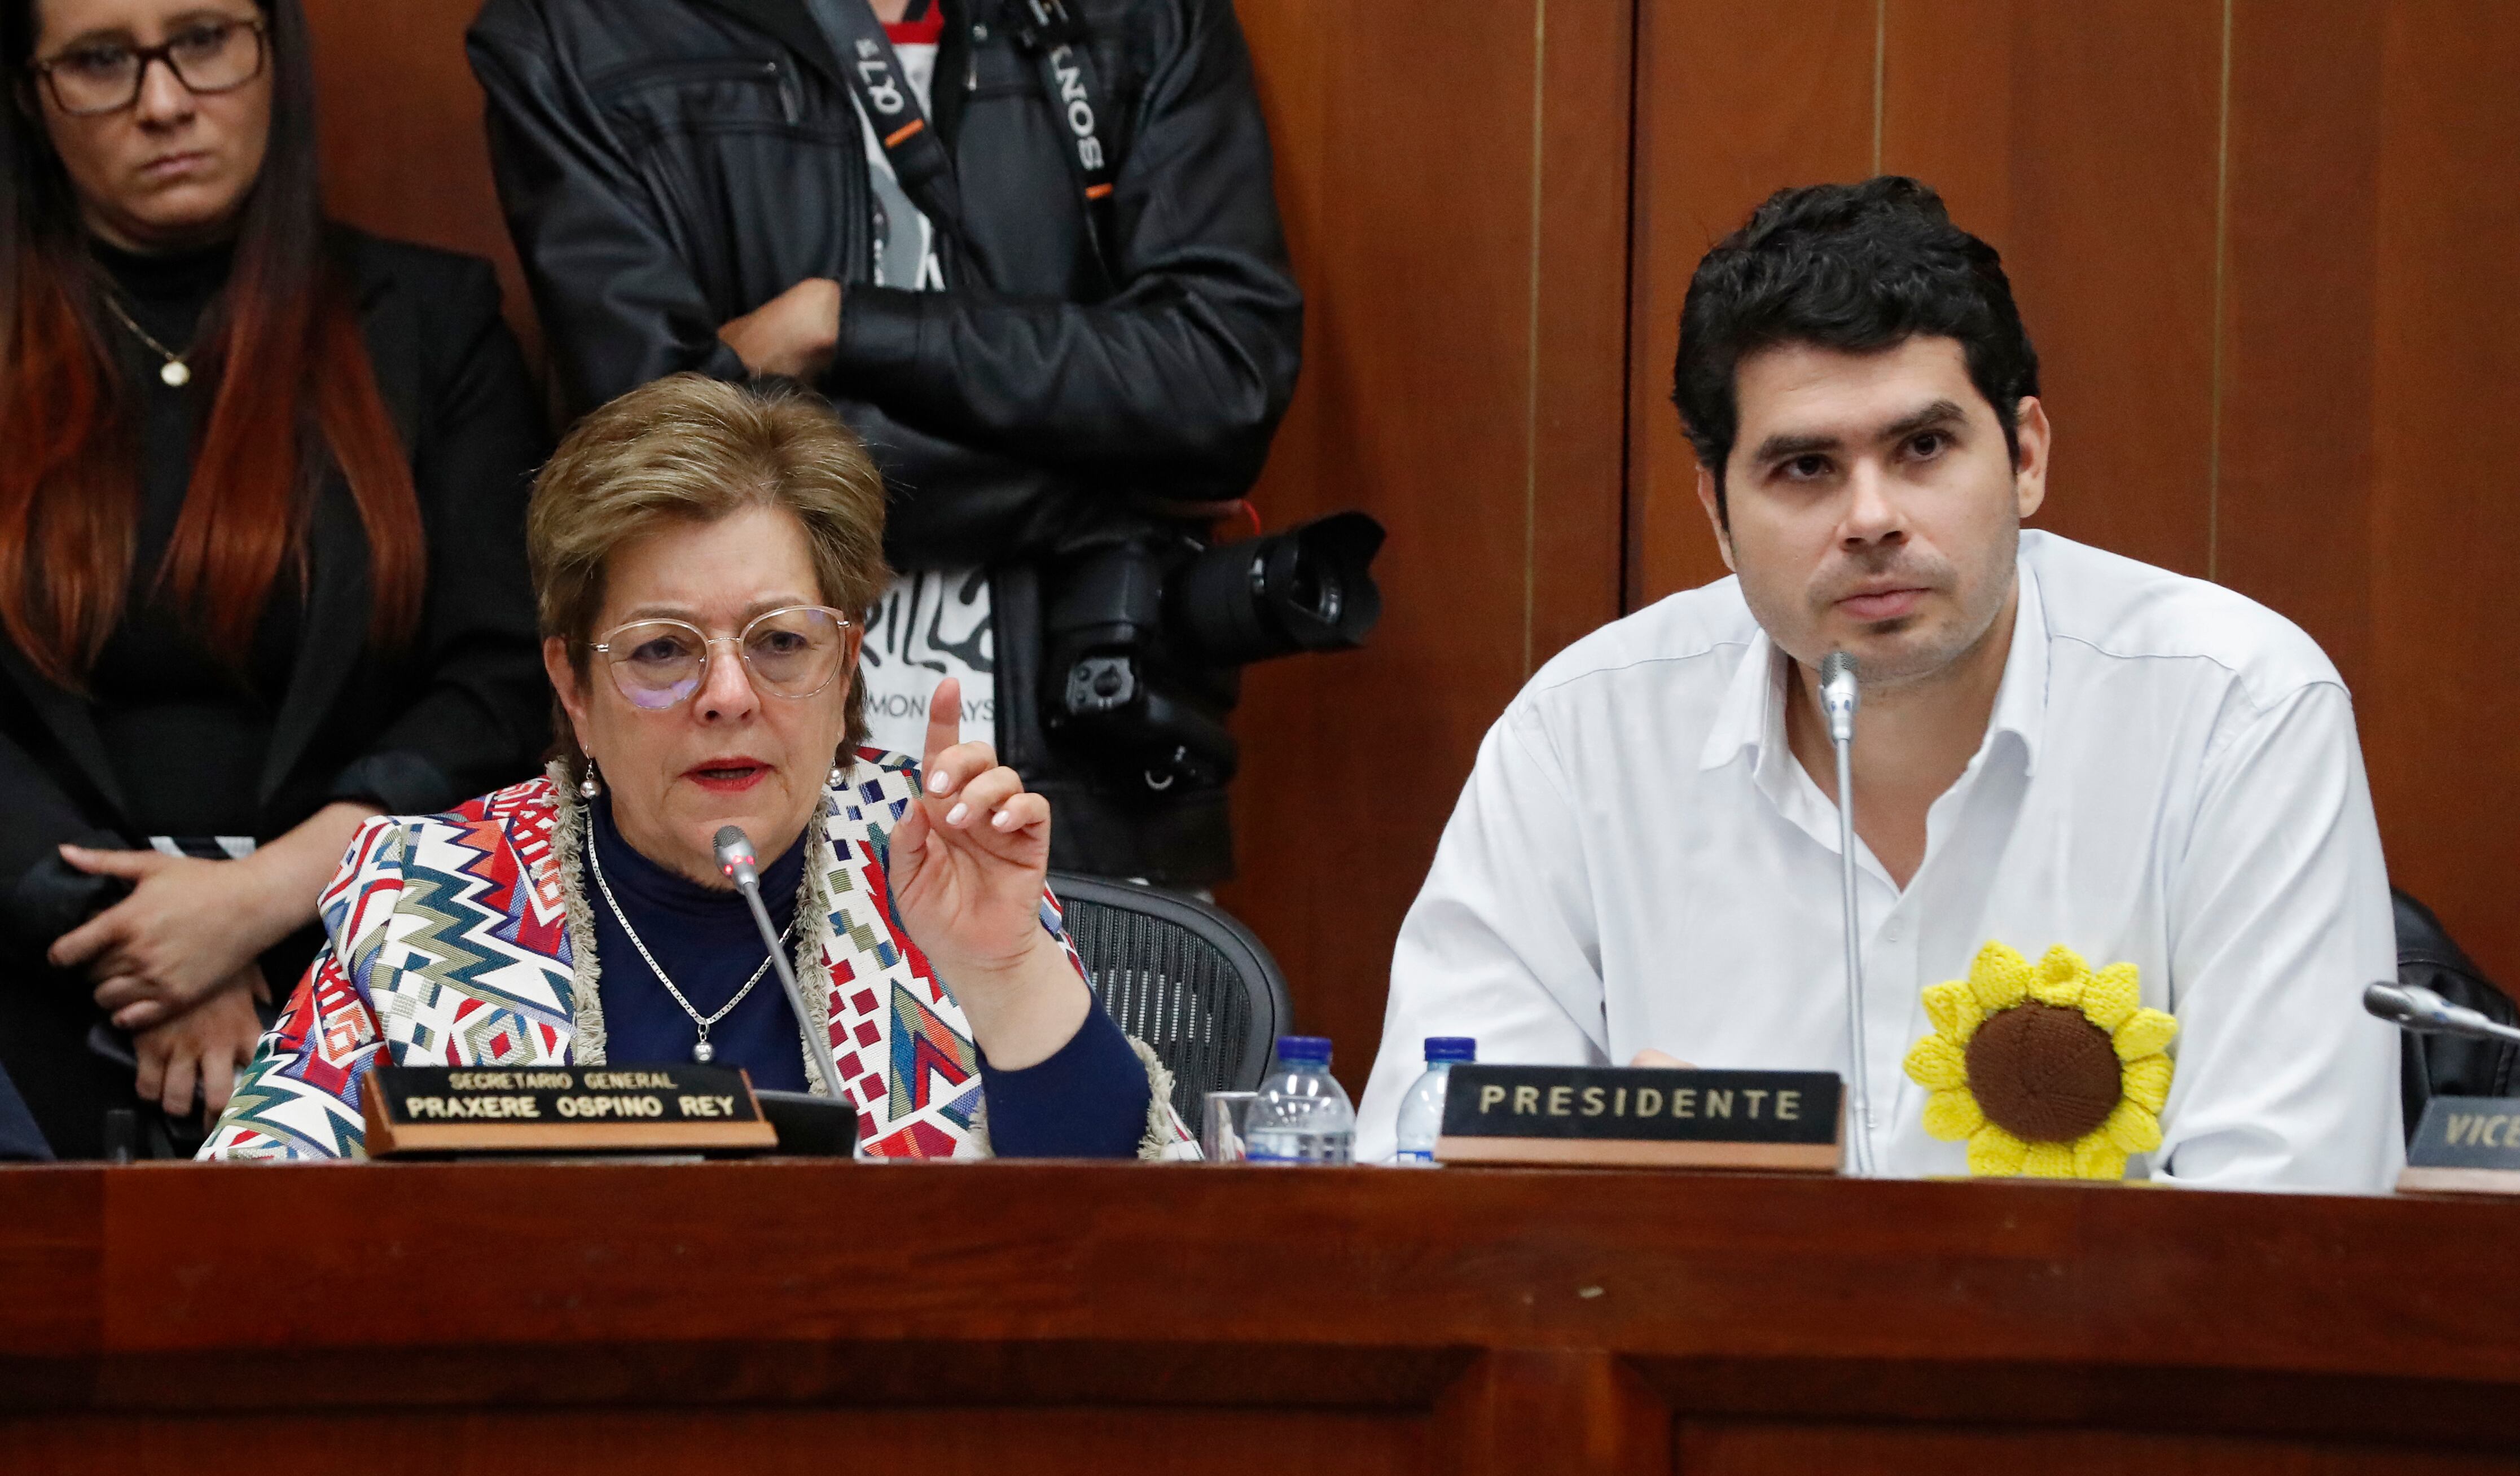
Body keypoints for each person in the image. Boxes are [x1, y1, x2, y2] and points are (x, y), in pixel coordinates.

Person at [1356, 178, 2400, 1191]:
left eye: (1923, 447)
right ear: (1716, 515)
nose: (1870, 519)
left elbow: (2290, 1217)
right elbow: (1430, 1177)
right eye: (1804, 467)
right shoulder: (1582, 738)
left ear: (2025, 457)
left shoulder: (2235, 708)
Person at [202, 374, 1188, 1162]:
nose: (726, 695)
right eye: (663, 650)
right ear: (574, 688)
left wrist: (1006, 971)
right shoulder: (429, 902)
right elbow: (244, 1238)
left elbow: (1139, 1253)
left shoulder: (936, 854)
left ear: (845, 665)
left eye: (780, 643)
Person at [464, 0, 1303, 888]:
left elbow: (1223, 381)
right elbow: (667, 460)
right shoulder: (576, 29)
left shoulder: (1139, 17)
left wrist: (846, 323)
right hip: (735, 807)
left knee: (1076, 1029)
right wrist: (1109, 477)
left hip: (1091, 788)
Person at [0, 0, 547, 1158]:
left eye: (202, 39)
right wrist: (142, 942)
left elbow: (500, 679)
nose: (161, 101)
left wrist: (262, 900)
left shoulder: (433, 325)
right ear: (28, 94)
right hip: (24, 960)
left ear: (273, 54)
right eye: (99, 60)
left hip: (363, 955)